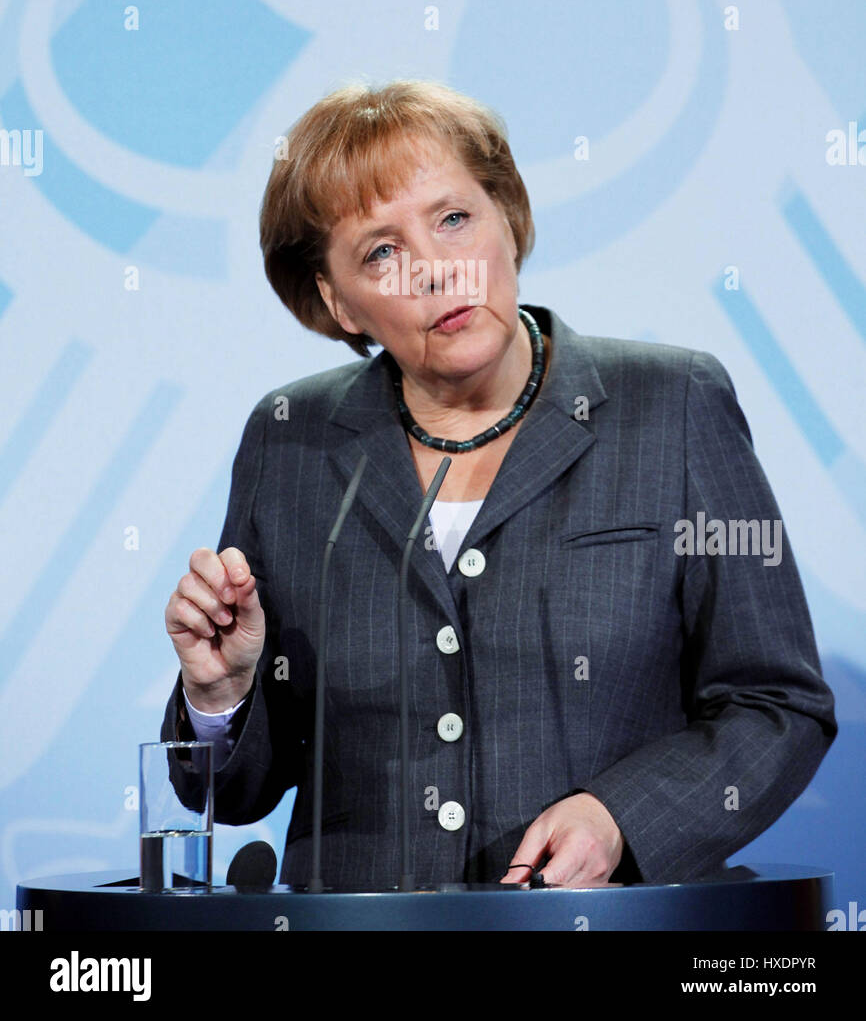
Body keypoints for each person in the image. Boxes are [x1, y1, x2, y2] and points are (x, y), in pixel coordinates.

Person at [162, 78, 836, 890]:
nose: (438, 272)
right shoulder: (290, 440)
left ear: (507, 219)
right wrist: (222, 692)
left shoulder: (673, 408)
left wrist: (621, 818)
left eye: (454, 219)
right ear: (338, 302)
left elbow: (776, 703)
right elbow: (227, 793)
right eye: (383, 251)